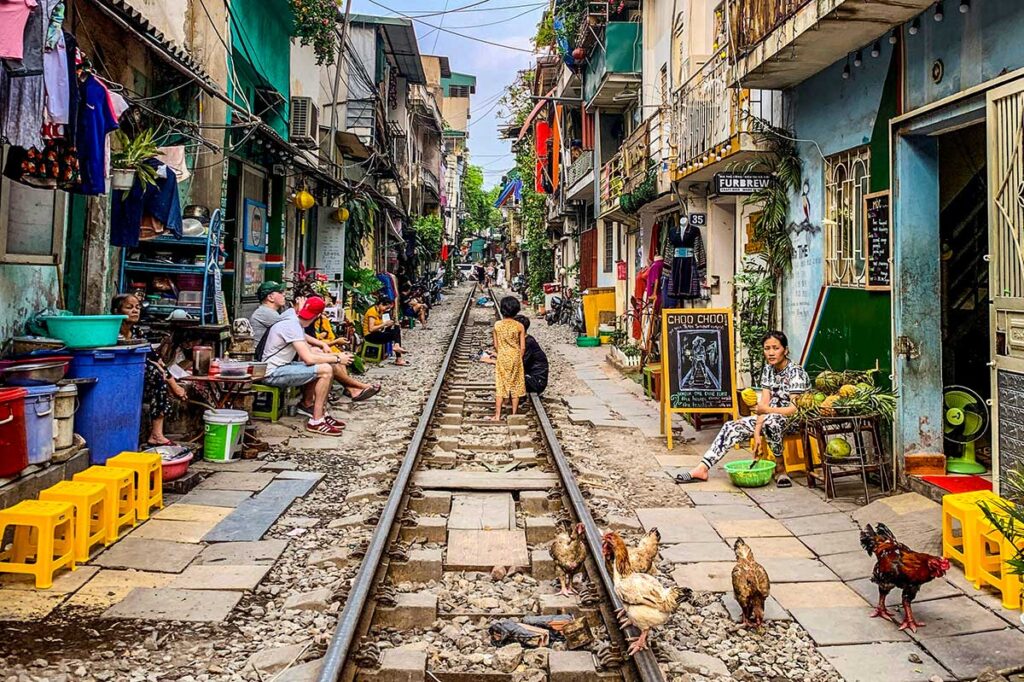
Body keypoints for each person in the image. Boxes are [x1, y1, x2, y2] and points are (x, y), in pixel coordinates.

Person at [675, 330, 809, 488]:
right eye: (767, 348)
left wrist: (766, 412)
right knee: (731, 427)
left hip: (794, 420)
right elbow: (763, 403)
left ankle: (780, 469)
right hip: (769, 418)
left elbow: (794, 409)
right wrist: (757, 432)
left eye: (776, 348)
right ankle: (702, 468)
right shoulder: (768, 370)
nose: (771, 353)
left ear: (785, 350)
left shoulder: (796, 372)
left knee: (771, 422)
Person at [260, 296, 350, 435]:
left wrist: (324, 347)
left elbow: (302, 338)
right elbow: (308, 358)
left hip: (282, 367)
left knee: (327, 365)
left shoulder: (294, 320)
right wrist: (337, 358)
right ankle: (316, 421)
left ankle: (321, 413)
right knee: (325, 369)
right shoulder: (291, 324)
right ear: (318, 315)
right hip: (273, 373)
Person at [112, 293, 187, 446]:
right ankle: (156, 434)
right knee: (154, 371)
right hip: (116, 375)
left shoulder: (138, 333)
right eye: (129, 307)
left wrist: (174, 385)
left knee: (157, 371)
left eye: (137, 307)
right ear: (116, 311)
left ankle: (156, 434)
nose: (135, 311)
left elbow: (155, 359)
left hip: (137, 377)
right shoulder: (111, 332)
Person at [490, 296, 527, 420]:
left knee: (501, 385)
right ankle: (514, 414)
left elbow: (495, 345)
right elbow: (522, 347)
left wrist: (501, 353)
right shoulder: (520, 326)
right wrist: (518, 357)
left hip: (502, 356)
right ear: (516, 310)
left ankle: (497, 415)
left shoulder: (497, 325)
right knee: (516, 384)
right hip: (515, 356)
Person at [363, 296, 408, 366]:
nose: (386, 310)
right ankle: (398, 357)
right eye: (386, 308)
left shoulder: (380, 312)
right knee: (394, 334)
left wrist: (388, 325)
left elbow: (380, 327)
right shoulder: (372, 312)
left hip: (378, 333)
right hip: (370, 336)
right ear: (380, 304)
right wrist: (384, 324)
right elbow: (371, 329)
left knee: (396, 328)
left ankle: (397, 347)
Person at [515, 314, 548, 394]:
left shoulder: (528, 343)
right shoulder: (526, 340)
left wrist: (494, 361)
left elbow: (518, 364)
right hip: (532, 378)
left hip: (536, 382)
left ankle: (508, 400)